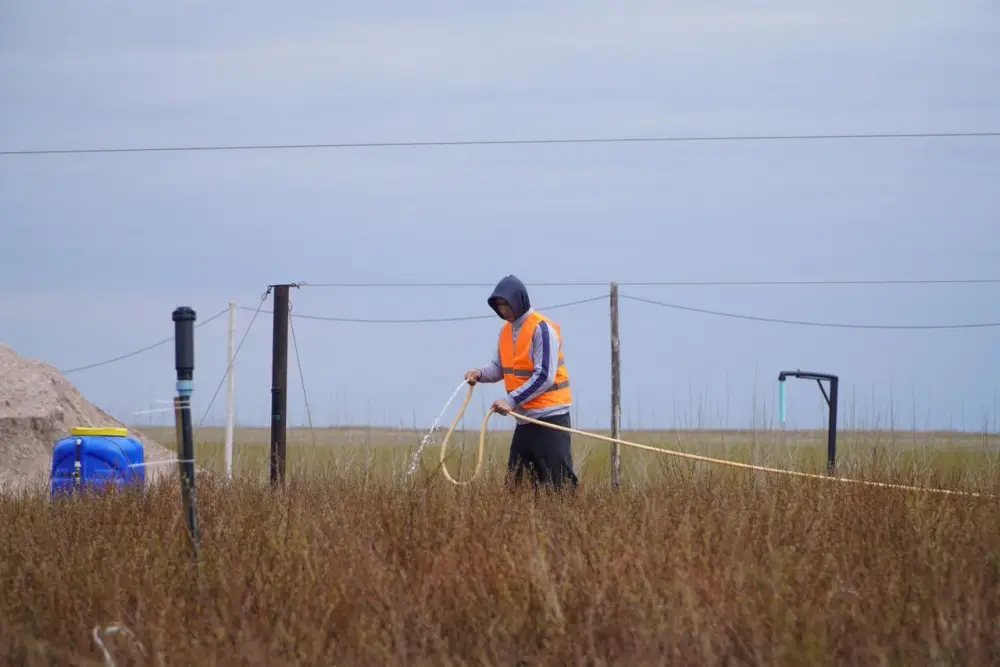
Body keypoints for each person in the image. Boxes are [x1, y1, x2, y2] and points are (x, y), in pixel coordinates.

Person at [464, 274, 579, 491]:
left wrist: (510, 400)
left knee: (560, 487)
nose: (503, 311)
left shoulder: (542, 329)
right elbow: (498, 368)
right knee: (517, 488)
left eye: (506, 305)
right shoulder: (505, 332)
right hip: (524, 421)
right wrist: (479, 374)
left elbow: (545, 376)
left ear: (519, 300)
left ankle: (567, 523)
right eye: (499, 306)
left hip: (550, 420)